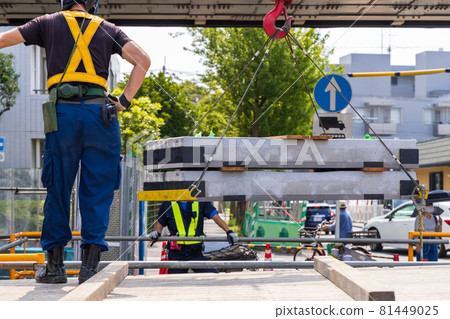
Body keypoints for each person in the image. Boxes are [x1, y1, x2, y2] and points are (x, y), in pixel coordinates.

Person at [0, 0, 150, 284]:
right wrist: (123, 102)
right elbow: (144, 61)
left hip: (63, 115)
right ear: (91, 4)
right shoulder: (107, 28)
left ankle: (55, 268)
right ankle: (89, 269)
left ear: (63, 1)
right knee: (98, 191)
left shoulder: (46, 22)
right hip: (101, 115)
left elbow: (4, 40)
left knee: (58, 188)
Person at [149, 201, 239, 274]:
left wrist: (229, 231)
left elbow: (215, 217)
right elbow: (159, 224)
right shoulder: (168, 204)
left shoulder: (201, 201)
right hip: (176, 253)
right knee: (175, 280)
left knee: (211, 274)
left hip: (196, 252)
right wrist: (156, 233)